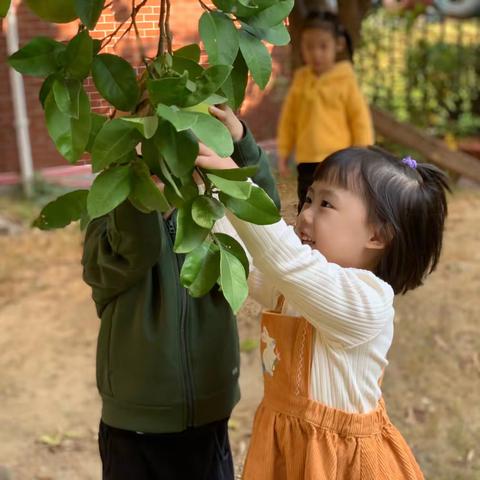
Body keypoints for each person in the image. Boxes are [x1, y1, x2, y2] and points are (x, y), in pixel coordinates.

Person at [195, 144, 450, 479]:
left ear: (377, 234)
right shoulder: (299, 287)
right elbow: (248, 261)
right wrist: (201, 188)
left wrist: (234, 183)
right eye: (309, 199)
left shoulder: (366, 301)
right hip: (285, 449)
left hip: (340, 464)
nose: (305, 215)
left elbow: (285, 261)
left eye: (326, 204)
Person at [81, 105, 280, 480]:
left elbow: (263, 216)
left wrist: (238, 142)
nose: (166, 161)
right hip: (135, 424)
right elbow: (130, 253)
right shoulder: (108, 214)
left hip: (209, 411)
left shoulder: (214, 216)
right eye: (149, 148)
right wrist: (137, 191)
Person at [277, 10, 374, 211]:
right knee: (306, 201)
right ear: (300, 46)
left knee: (334, 203)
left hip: (338, 160)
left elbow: (360, 120)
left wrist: (361, 156)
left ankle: (333, 239)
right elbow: (289, 119)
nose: (316, 53)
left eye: (323, 46)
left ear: (337, 45)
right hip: (306, 160)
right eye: (309, 47)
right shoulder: (301, 78)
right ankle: (306, 241)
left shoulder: (345, 79)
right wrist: (284, 152)